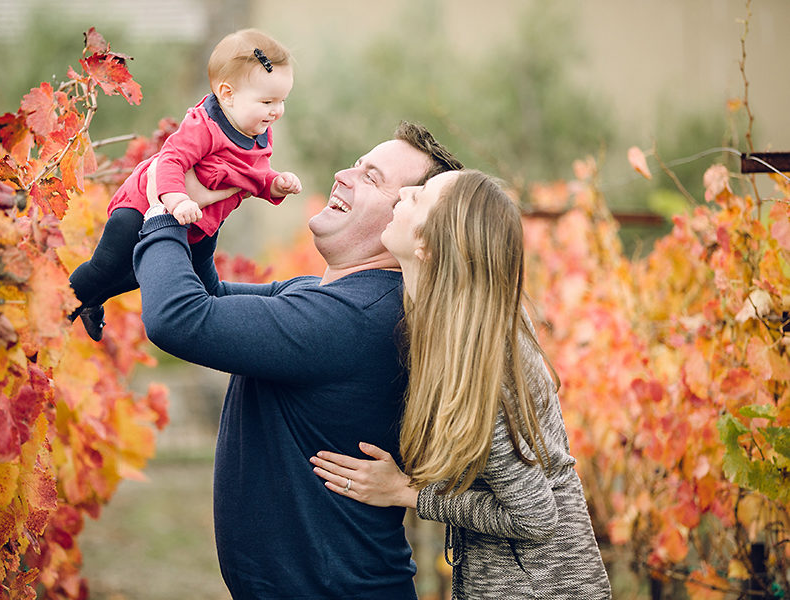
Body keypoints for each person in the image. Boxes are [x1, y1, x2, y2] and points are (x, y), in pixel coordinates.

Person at [132, 122, 463, 599]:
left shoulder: (351, 318)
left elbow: (178, 317)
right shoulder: (323, 296)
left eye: (372, 178)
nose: (342, 175)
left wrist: (158, 208)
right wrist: (201, 213)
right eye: (356, 163)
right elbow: (209, 296)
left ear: (410, 223)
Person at [310, 169, 612, 599]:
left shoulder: (485, 369)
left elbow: (536, 516)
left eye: (420, 198)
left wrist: (406, 492)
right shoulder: (458, 327)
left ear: (427, 245)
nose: (407, 191)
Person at [68, 28, 301, 341]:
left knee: (155, 276)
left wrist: (276, 184)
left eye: (282, 100)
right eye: (267, 101)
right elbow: (170, 161)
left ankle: (94, 298)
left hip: (200, 225)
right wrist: (177, 200)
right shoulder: (203, 126)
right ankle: (59, 311)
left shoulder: (259, 131)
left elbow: (252, 176)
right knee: (104, 268)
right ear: (228, 94)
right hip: (144, 208)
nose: (277, 110)